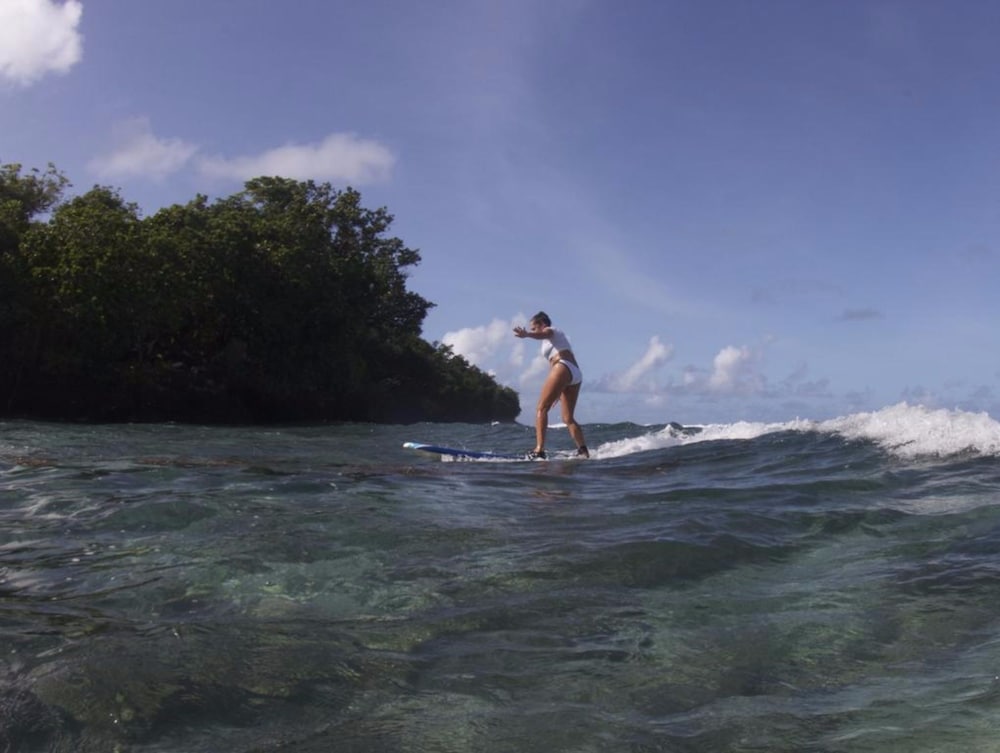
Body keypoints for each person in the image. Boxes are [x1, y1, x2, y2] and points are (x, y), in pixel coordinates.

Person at [513, 311, 589, 459]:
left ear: (542, 324)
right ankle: (583, 451)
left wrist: (527, 334)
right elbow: (553, 364)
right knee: (568, 418)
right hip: (573, 373)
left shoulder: (551, 330)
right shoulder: (555, 340)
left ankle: (539, 450)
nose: (534, 331)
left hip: (563, 367)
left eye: (534, 328)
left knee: (541, 408)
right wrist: (557, 390)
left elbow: (543, 334)